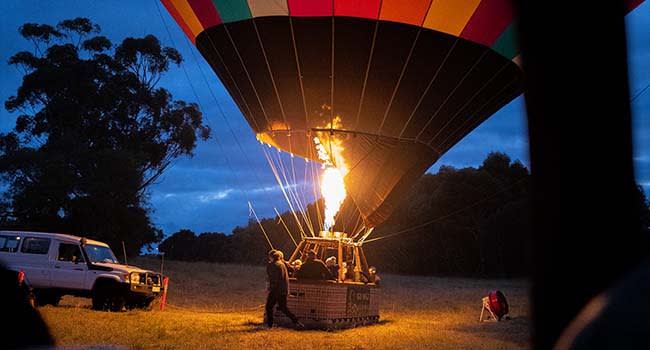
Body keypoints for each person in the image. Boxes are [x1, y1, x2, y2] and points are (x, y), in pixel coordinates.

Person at [265, 250, 304, 329]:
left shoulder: (273, 265)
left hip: (276, 290)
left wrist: (271, 287)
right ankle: (296, 321)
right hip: (283, 290)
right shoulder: (282, 264)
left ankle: (270, 324)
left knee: (269, 307)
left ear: (271, 257)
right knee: (283, 308)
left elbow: (274, 278)